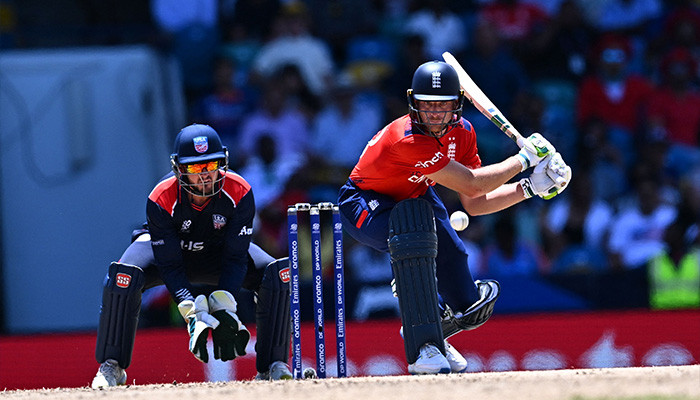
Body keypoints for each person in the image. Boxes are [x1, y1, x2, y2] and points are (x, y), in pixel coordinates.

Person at [337, 60, 572, 374]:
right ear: (413, 103)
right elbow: (473, 183)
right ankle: (423, 342)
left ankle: (434, 329)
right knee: (413, 240)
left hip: (415, 197)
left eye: (443, 105)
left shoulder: (464, 133)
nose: (435, 113)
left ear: (457, 105)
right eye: (427, 105)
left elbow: (476, 202)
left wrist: (529, 188)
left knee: (468, 304)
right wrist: (523, 159)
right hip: (364, 203)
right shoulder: (407, 138)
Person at [91, 124, 293, 388]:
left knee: (277, 274)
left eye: (211, 165)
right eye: (196, 168)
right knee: (122, 277)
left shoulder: (239, 190)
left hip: (218, 253)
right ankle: (112, 366)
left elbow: (235, 257)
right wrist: (189, 308)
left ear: (223, 162)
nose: (206, 175)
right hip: (172, 254)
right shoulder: (161, 196)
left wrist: (224, 304)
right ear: (179, 169)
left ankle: (273, 366)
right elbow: (169, 263)